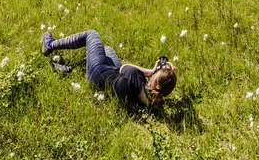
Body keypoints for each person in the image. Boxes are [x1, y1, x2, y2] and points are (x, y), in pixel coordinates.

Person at [41, 29, 177, 106]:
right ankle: (69, 68)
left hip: (98, 73)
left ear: (157, 85)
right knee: (107, 49)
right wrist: (171, 74)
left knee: (92, 34)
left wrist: (150, 71)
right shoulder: (152, 102)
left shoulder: (134, 78)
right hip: (112, 74)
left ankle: (50, 45)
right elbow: (162, 87)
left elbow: (126, 67)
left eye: (155, 76)